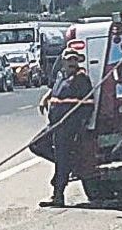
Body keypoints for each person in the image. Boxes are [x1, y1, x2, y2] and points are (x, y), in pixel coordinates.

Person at [37, 49, 94, 208]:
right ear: (63, 61)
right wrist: (46, 97)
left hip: (68, 126)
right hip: (55, 125)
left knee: (61, 158)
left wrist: (79, 125)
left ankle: (58, 194)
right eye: (68, 59)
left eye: (74, 59)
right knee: (37, 145)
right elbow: (56, 90)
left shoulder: (81, 79)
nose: (71, 62)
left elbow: (88, 104)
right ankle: (69, 165)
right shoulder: (61, 76)